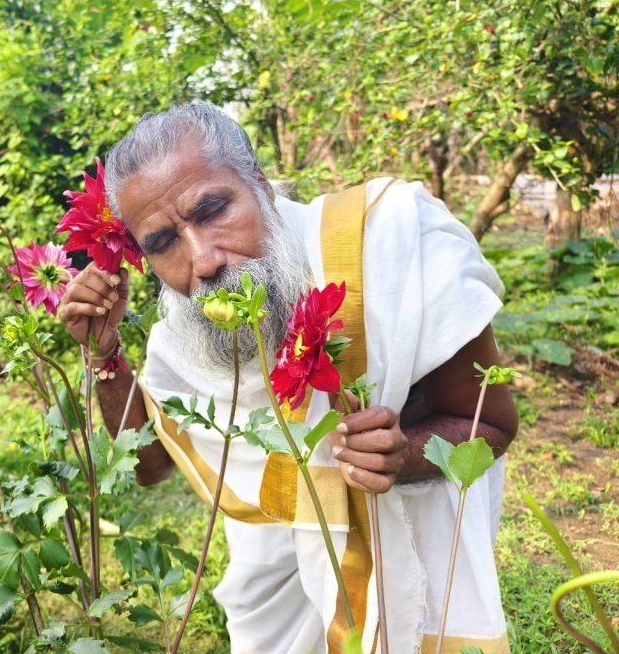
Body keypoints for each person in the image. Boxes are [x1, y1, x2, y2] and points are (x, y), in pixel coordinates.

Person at [58, 102, 519, 653]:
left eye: (211, 210)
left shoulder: (390, 243)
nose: (202, 261)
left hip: (417, 543)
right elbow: (151, 466)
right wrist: (105, 353)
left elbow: (490, 423)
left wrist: (404, 453)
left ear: (260, 184)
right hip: (273, 570)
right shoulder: (181, 336)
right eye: (163, 243)